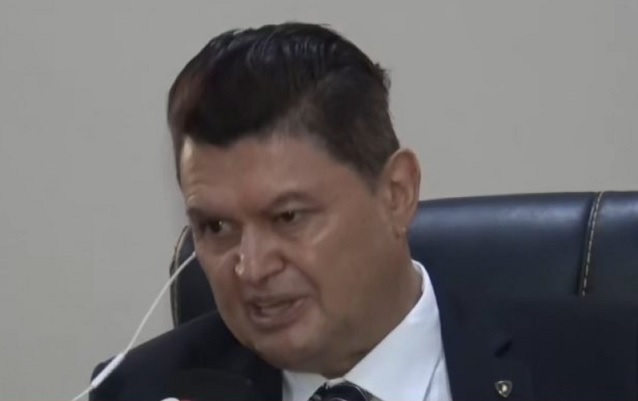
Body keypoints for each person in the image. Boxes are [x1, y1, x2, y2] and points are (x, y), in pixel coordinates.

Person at [89, 22, 638, 401]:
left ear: (396, 194)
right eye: (216, 227)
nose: (251, 268)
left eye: (288, 217)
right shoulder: (139, 390)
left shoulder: (610, 365)